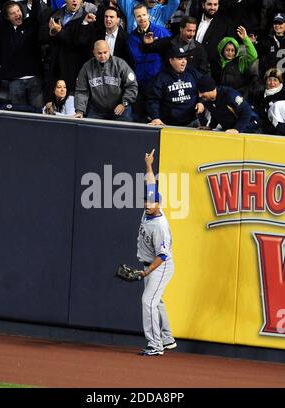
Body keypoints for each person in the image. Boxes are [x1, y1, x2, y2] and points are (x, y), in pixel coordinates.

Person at [137, 148, 176, 356]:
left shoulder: (160, 226)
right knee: (156, 300)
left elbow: (161, 257)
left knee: (148, 301)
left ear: (158, 204)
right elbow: (151, 182)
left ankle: (155, 345)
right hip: (151, 264)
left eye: (150, 202)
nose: (146, 204)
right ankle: (167, 338)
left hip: (160, 266)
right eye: (145, 201)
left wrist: (146, 272)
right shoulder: (151, 207)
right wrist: (149, 165)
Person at [74, 40, 138, 121]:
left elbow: (132, 86)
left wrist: (124, 103)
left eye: (105, 52)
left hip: (120, 108)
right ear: (94, 52)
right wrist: (80, 111)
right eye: (99, 53)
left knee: (124, 131)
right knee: (89, 130)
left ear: (109, 50)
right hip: (96, 110)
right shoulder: (86, 67)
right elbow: (81, 91)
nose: (102, 56)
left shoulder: (121, 64)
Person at [148, 45, 204, 126]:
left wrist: (201, 102)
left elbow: (205, 87)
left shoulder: (192, 72)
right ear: (171, 60)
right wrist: (155, 117)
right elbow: (153, 100)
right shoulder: (161, 78)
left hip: (192, 122)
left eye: (185, 58)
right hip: (169, 124)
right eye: (180, 59)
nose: (184, 62)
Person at [142, 16, 210, 74]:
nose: (192, 34)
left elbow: (203, 71)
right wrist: (147, 43)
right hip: (169, 84)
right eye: (189, 30)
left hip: (191, 87)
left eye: (194, 31)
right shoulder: (167, 43)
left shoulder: (200, 49)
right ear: (181, 29)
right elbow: (147, 49)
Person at [211, 26, 258, 99]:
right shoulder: (215, 63)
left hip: (235, 99)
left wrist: (245, 39)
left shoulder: (240, 62)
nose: (230, 53)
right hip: (217, 98)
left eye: (232, 50)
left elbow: (253, 56)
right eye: (227, 50)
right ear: (222, 50)